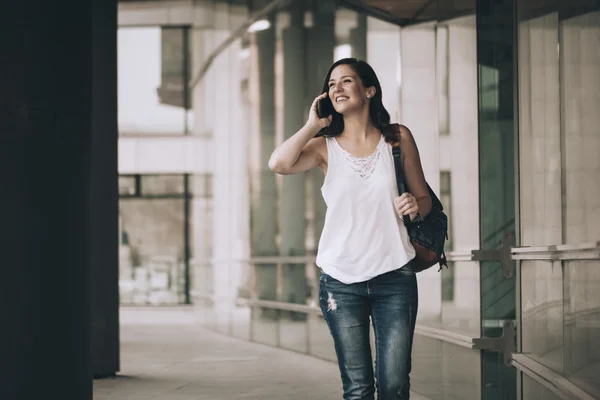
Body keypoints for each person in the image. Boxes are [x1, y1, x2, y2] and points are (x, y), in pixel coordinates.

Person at [268, 58, 431, 400]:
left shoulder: (397, 138)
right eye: (331, 84)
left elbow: (424, 198)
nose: (336, 88)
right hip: (340, 281)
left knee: (395, 385)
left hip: (394, 275)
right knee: (357, 389)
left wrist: (415, 206)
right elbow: (278, 163)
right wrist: (313, 124)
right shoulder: (323, 147)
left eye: (346, 81)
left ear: (369, 90)